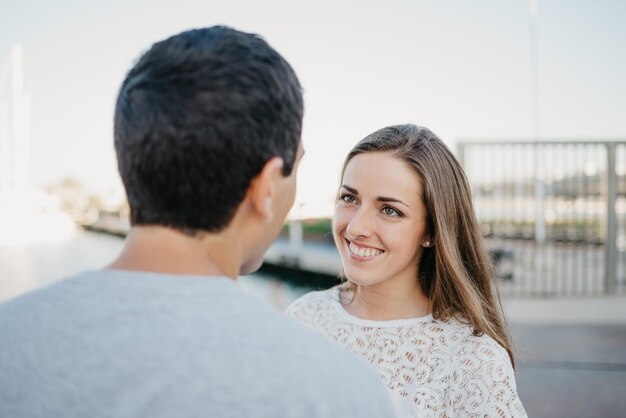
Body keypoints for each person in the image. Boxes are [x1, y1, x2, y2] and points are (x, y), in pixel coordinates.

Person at [0, 27, 398, 418]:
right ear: (265, 186)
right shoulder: (338, 391)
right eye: (296, 169)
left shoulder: (11, 337)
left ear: (130, 162)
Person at [287, 124, 527, 417]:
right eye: (349, 198)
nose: (355, 227)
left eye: (389, 210)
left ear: (432, 231)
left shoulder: (472, 360)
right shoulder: (303, 318)